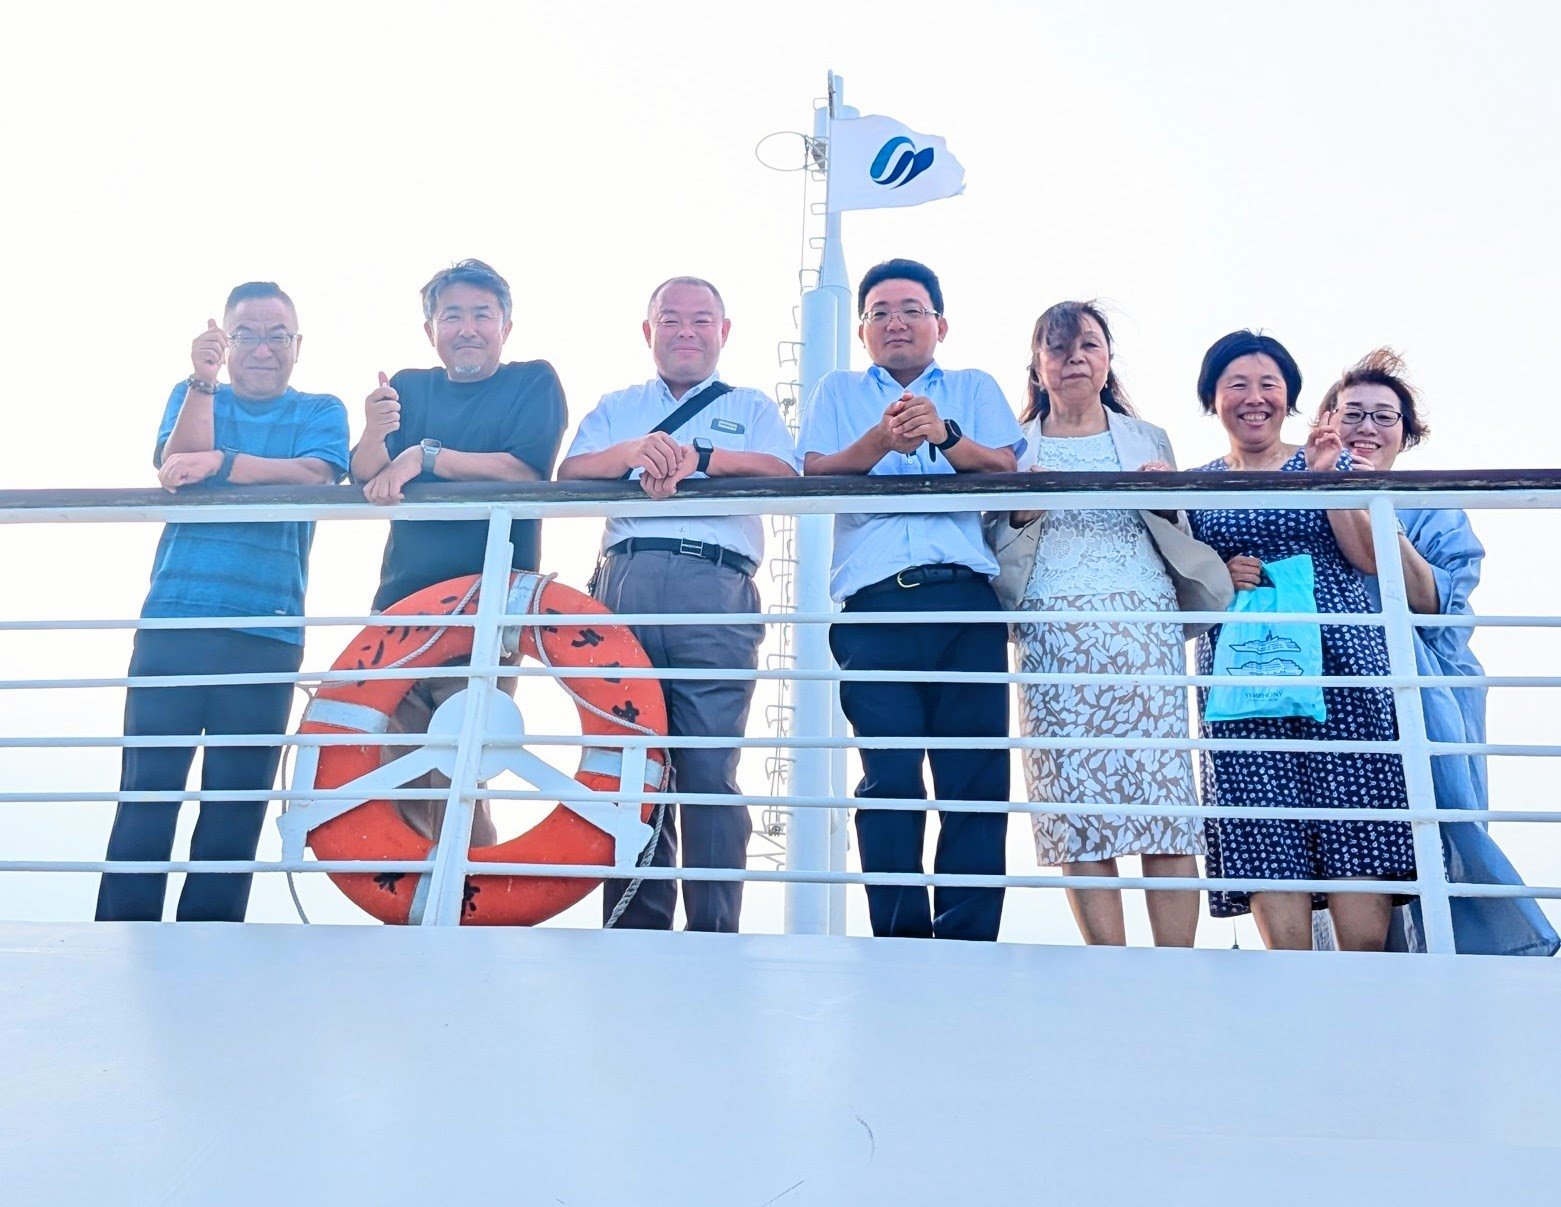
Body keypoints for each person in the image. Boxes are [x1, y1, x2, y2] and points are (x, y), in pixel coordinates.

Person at [96, 282, 349, 922]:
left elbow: (316, 474)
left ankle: (210, 951)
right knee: (146, 796)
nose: (263, 349)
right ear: (225, 343)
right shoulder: (193, 395)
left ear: (298, 345)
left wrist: (223, 462)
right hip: (174, 621)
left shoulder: (321, 409)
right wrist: (204, 382)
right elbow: (177, 465)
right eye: (246, 335)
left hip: (267, 632)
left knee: (236, 808)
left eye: (277, 336)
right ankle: (123, 943)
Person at [556, 276, 798, 931]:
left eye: (700, 320)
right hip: (626, 582)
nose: (685, 331)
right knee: (633, 767)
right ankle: (635, 932)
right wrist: (634, 452)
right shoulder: (618, 407)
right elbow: (570, 473)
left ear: (724, 331)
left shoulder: (750, 406)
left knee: (707, 766)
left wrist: (702, 458)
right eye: (670, 319)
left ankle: (714, 934)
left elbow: (785, 471)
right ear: (648, 331)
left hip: (714, 586)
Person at [799, 258, 1023, 941]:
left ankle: (967, 943)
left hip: (963, 601)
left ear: (939, 324)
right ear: (862, 329)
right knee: (889, 776)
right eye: (880, 312)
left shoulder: (972, 386)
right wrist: (881, 440)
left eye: (911, 309)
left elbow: (1006, 465)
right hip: (874, 608)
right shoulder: (838, 390)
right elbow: (813, 469)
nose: (895, 322)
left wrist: (944, 435)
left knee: (974, 778)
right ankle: (897, 940)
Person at [1316, 348, 1557, 956]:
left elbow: (1432, 601)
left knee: (1441, 831)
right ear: (1327, 420)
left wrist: (1377, 509)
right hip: (1342, 690)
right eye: (1353, 413)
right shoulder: (1306, 494)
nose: (1367, 427)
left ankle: (1477, 957)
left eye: (1384, 416)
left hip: (1430, 691)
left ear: (1405, 434)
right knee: (1350, 834)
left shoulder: (1436, 508)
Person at [1186, 330, 1414, 951]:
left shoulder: (1326, 459)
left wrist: (1323, 480)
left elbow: (1369, 559)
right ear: (1212, 397)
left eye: (1269, 384)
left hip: (1340, 662)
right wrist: (1218, 574)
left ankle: (1363, 989)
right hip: (1242, 678)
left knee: (1355, 820)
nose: (1254, 397)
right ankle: (1291, 993)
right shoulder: (1196, 483)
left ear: (1289, 398)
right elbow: (1180, 583)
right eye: (1237, 384)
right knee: (1264, 825)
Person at [1007, 301, 1203, 947]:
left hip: (1142, 627)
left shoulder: (1147, 438)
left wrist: (1166, 499)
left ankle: (1174, 966)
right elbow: (991, 539)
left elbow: (1178, 530)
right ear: (1036, 364)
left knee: (1163, 801)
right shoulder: (1013, 446)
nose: (1074, 359)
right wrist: (1019, 513)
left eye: (1088, 345)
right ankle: (1107, 967)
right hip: (1053, 632)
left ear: (1108, 358)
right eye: (1058, 348)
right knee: (1075, 808)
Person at [352, 259, 567, 848]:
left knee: (461, 769)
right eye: (452, 316)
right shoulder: (410, 386)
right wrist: (374, 431)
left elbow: (526, 471)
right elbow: (368, 477)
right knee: (396, 772)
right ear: (430, 330)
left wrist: (425, 457)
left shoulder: (533, 382)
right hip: (401, 605)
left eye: (482, 315)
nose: (467, 329)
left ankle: (468, 892)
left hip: (486, 608)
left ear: (505, 326)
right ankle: (414, 898)